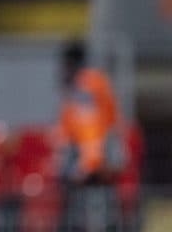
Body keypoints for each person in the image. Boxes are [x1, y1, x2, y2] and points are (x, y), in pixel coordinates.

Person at [55, 40, 126, 231]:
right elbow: (68, 131)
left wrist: (91, 164)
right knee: (78, 216)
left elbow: (97, 129)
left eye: (66, 64)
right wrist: (67, 165)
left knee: (99, 216)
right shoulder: (72, 89)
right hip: (81, 163)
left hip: (97, 164)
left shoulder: (91, 84)